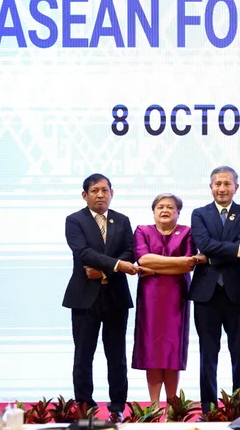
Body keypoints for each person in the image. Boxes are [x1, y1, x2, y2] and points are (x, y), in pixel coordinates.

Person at [62, 173, 140, 420]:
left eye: (104, 190)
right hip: (85, 297)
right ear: (85, 195)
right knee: (84, 353)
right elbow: (82, 252)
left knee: (116, 355)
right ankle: (86, 404)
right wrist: (117, 266)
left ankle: (117, 405)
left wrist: (106, 272)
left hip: (115, 296)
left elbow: (130, 252)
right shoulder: (74, 220)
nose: (100, 195)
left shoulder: (123, 220)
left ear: (112, 193)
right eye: (94, 190)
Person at [188, 166, 240, 416]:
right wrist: (234, 251)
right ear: (210, 187)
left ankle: (239, 406)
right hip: (205, 293)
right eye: (218, 184)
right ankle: (209, 407)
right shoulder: (199, 214)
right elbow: (204, 243)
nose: (222, 188)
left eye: (227, 184)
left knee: (239, 351)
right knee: (207, 352)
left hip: (238, 291)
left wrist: (211, 257)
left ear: (236, 188)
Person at [132, 193, 202, 404]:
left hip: (176, 297)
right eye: (160, 206)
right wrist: (174, 263)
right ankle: (154, 406)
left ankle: (173, 407)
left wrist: (154, 267)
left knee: (172, 353)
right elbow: (143, 259)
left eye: (170, 207)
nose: (165, 210)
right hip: (150, 298)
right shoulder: (142, 231)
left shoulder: (187, 232)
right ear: (153, 211)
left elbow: (189, 264)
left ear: (178, 212)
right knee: (152, 352)